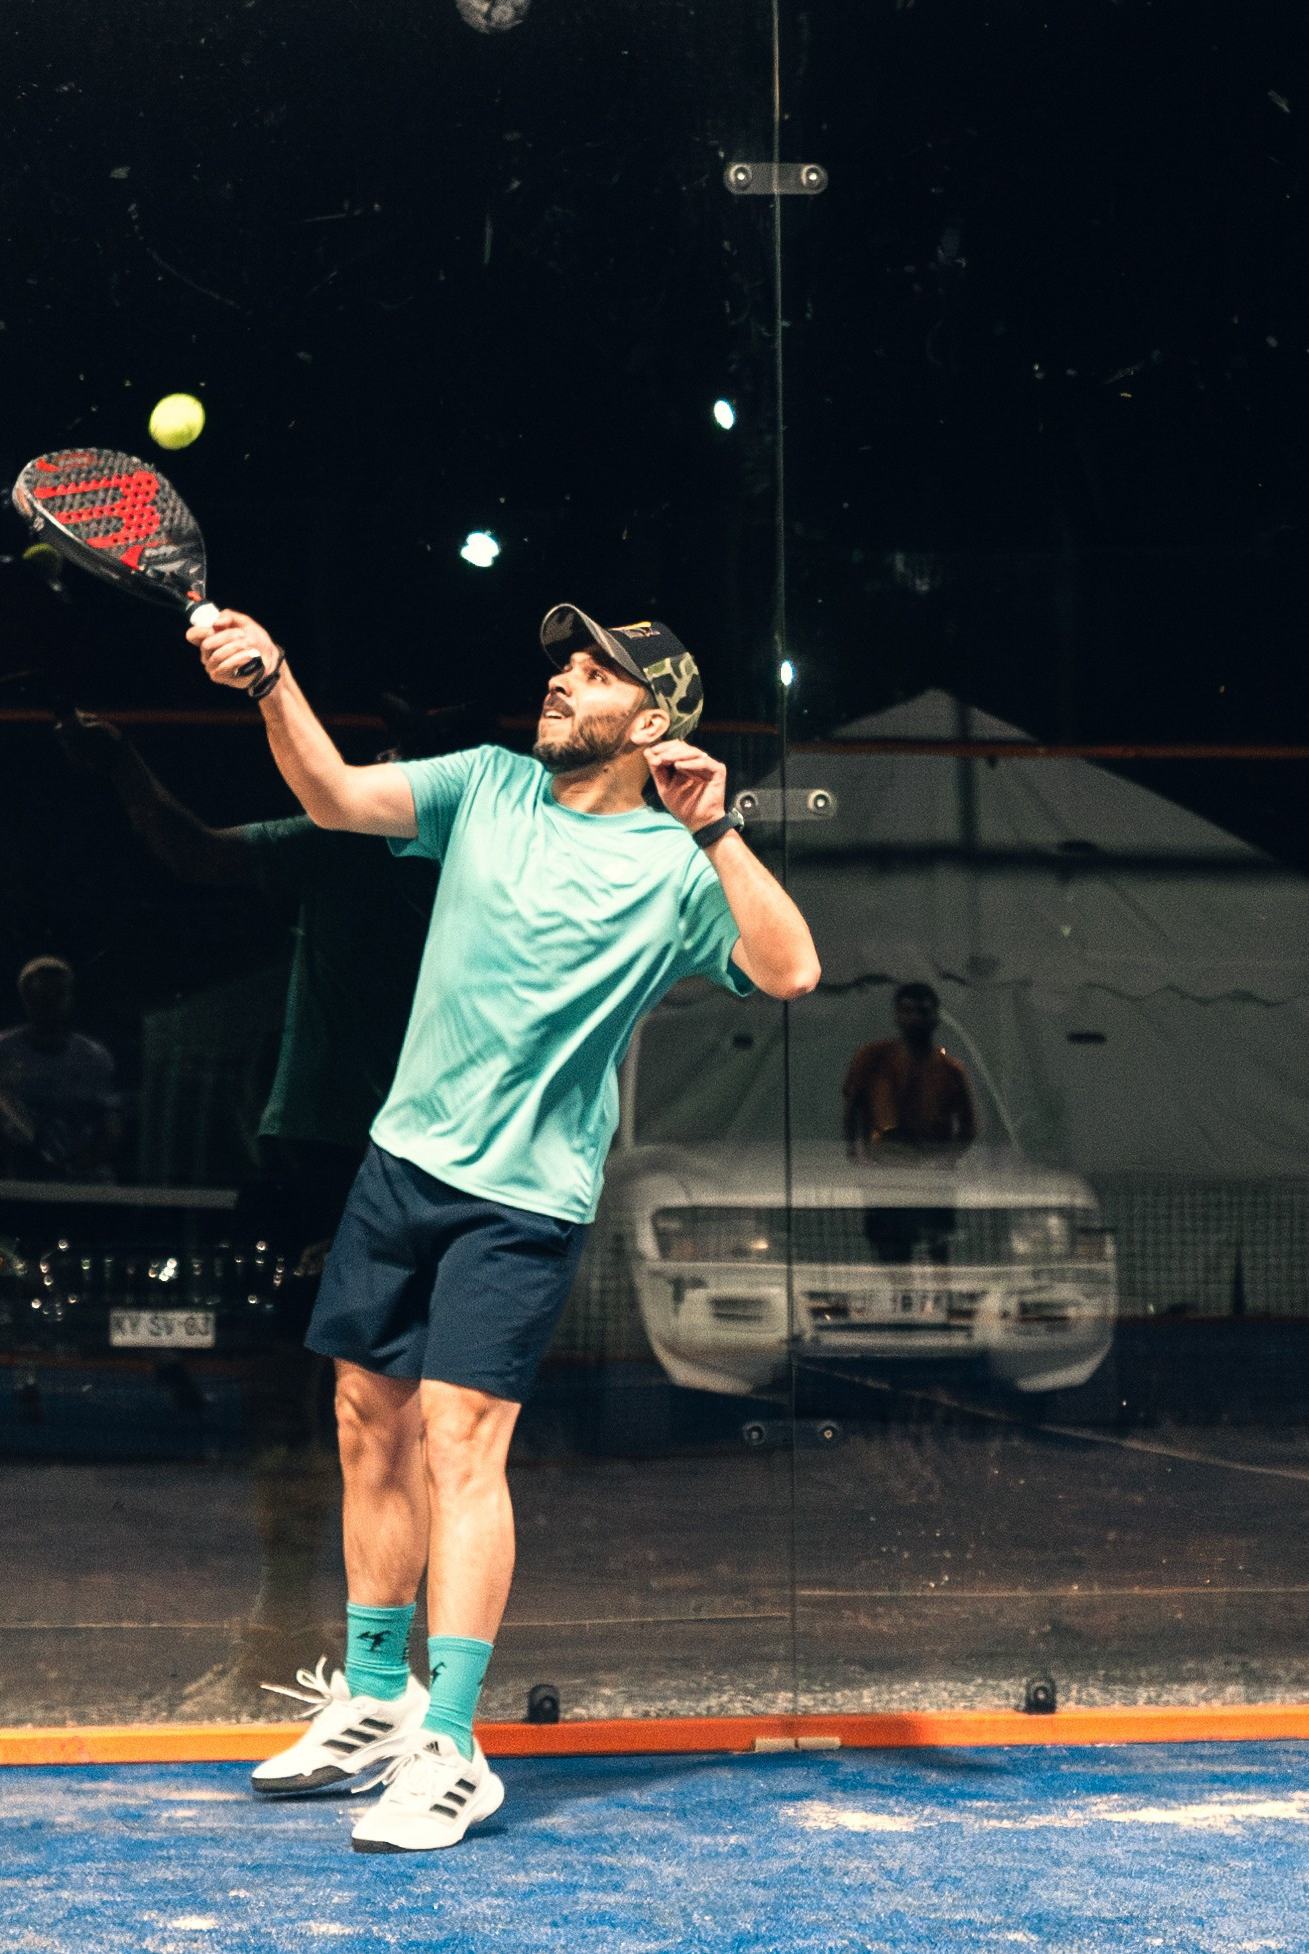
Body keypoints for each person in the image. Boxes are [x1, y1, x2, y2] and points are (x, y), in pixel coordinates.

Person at [187, 600, 820, 1853]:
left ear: (652, 721)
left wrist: (716, 829)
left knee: (460, 1443)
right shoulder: (484, 784)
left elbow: (791, 968)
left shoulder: (678, 870)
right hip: (401, 1162)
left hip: (523, 1196)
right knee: (365, 1419)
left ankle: (452, 1745)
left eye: (597, 675)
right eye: (564, 665)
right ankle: (378, 1698)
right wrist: (271, 680)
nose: (562, 681)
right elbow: (332, 796)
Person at [55, 703, 465, 1707]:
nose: (371, 760)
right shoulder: (477, 860)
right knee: (402, 1411)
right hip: (421, 1153)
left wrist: (120, 763)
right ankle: (352, 1651)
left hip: (342, 1151)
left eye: (387, 750)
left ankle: (324, 1641)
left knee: (309, 1399)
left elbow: (189, 849)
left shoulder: (351, 837)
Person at [0, 956, 122, 1180]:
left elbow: (112, 1125)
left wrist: (77, 1166)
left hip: (86, 1183)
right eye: (43, 996)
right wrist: (23, 1160)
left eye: (59, 993)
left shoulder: (95, 1058)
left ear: (70, 996)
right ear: (27, 998)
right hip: (21, 1183)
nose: (52, 1003)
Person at [842, 982, 978, 1163]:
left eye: (922, 1011)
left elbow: (968, 1127)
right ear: (897, 1016)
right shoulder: (872, 1057)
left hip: (929, 1164)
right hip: (879, 1163)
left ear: (935, 1018)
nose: (915, 1018)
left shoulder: (951, 1070)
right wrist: (855, 1155)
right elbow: (853, 1108)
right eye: (907, 1011)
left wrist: (946, 1161)